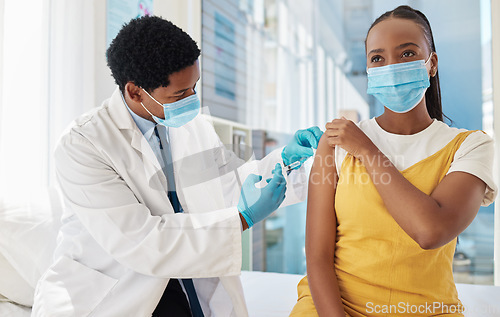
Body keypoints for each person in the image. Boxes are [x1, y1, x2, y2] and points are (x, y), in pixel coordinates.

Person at [32, 16, 322, 316]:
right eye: (179, 94)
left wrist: (285, 162)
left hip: (185, 280)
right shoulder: (84, 144)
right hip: (116, 294)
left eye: (194, 87)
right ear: (135, 92)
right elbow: (144, 241)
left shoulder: (191, 126)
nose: (192, 101)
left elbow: (228, 186)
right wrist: (242, 220)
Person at [290, 5, 497, 317]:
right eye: (377, 58)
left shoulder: (469, 146)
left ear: (432, 63)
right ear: (370, 70)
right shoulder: (334, 144)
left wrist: (368, 152)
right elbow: (318, 256)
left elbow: (430, 231)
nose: (391, 66)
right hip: (334, 307)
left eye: (407, 53)